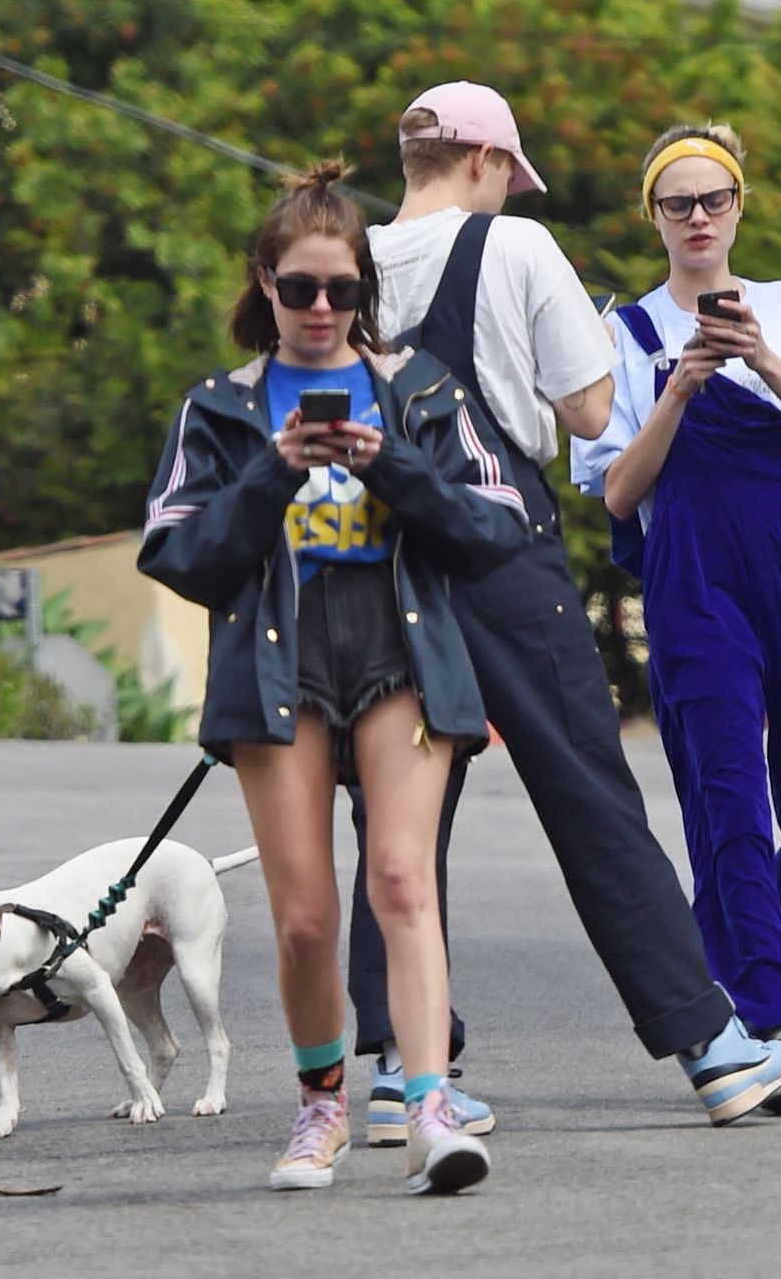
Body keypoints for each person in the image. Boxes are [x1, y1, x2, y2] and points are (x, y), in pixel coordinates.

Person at [344, 82, 781, 1136]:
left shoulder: (348, 260)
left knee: (397, 818)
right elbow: (590, 410)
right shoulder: (519, 250)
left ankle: (397, 1065)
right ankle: (710, 1043)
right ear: (486, 161)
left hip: (382, 564)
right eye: (509, 171)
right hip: (502, 555)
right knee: (591, 794)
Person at [138, 161, 531, 1195]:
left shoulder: (419, 388)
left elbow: (497, 529)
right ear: (262, 283)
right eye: (299, 287)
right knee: (306, 915)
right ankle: (322, 1109)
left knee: (402, 878)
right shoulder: (220, 407)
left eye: (341, 290)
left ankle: (431, 1104)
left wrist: (389, 464)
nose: (320, 310)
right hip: (281, 657)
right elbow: (179, 555)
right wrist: (272, 469)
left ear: (365, 290)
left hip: (399, 648)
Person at [573, 124, 781, 1113]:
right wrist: (676, 391)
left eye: (715, 200)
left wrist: (761, 358)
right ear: (655, 218)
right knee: (727, 801)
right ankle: (768, 1023)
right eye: (680, 204)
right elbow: (617, 492)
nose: (699, 218)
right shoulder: (621, 337)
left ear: (740, 208)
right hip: (695, 580)